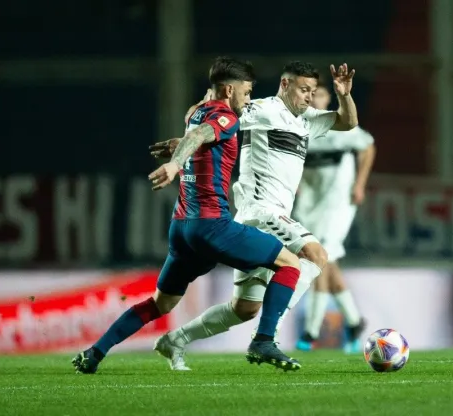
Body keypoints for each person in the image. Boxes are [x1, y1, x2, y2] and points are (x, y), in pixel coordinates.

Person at [71, 56, 304, 374]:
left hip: (181, 229)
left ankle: (94, 353)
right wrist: (175, 163)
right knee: (290, 263)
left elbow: (196, 134)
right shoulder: (225, 118)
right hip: (212, 227)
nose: (247, 99)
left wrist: (180, 148)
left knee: (160, 303)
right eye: (246, 92)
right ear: (227, 89)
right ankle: (264, 339)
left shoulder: (196, 113)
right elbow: (198, 138)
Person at [149, 61, 358, 371]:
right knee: (315, 254)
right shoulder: (260, 110)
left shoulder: (307, 121)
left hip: (273, 217)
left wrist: (343, 95)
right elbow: (207, 118)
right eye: (303, 90)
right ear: (285, 86)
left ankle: (176, 339)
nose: (309, 97)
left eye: (312, 92)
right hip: (261, 212)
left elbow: (347, 123)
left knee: (244, 308)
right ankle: (266, 338)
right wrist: (186, 139)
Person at [293, 83, 376, 353]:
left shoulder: (341, 127)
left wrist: (360, 184)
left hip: (338, 205)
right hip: (309, 206)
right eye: (310, 95)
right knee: (327, 263)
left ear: (328, 99)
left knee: (320, 260)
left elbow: (368, 147)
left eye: (319, 95)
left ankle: (311, 331)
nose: (314, 100)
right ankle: (354, 322)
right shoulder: (298, 127)